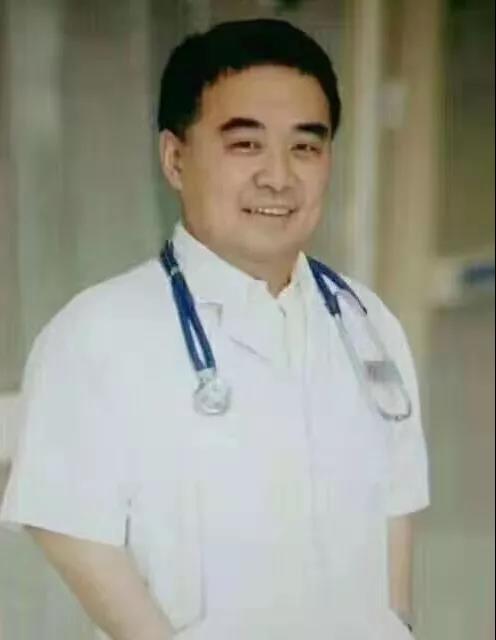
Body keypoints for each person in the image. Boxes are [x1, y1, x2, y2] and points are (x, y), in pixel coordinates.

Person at [1, 19, 429, 640]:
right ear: (175, 159)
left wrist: (400, 627)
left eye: (305, 147)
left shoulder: (367, 321)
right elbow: (71, 530)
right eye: (246, 145)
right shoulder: (99, 332)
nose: (279, 176)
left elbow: (397, 502)